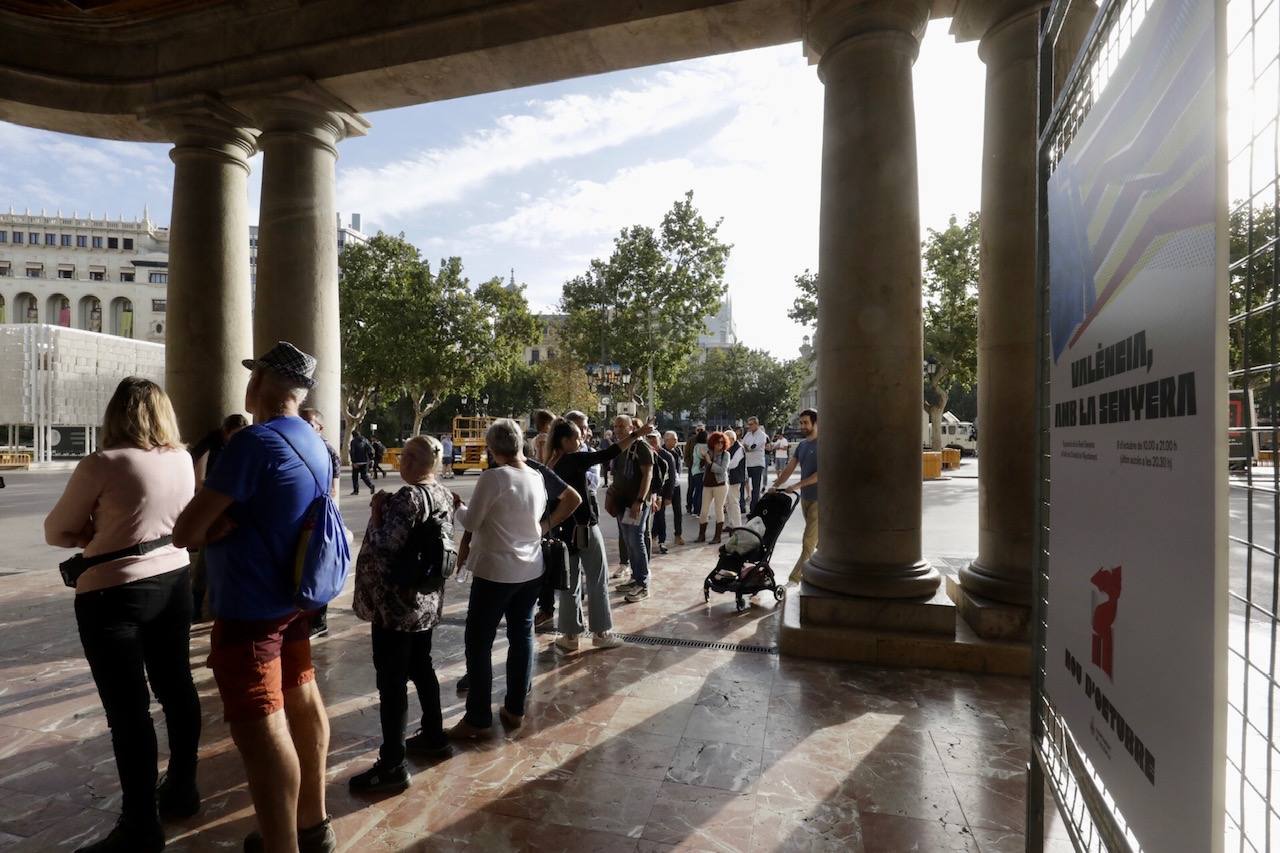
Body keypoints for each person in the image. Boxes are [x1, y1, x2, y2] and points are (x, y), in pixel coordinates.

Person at [173, 341, 337, 853]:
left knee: (261, 728)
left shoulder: (253, 443)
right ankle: (314, 824)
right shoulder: (312, 440)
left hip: (251, 609)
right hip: (295, 600)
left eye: (253, 373)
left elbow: (186, 531)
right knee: (302, 695)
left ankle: (281, 844)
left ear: (263, 381)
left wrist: (215, 525)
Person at [44, 378, 202, 853]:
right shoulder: (181, 458)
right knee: (176, 687)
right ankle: (182, 787)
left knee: (128, 710)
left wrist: (93, 532)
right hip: (174, 581)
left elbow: (58, 530)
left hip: (113, 593)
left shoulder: (102, 463)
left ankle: (140, 823)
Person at [450, 419, 579, 738]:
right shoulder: (535, 476)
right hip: (530, 569)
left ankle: (478, 717)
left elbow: (472, 520)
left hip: (496, 571)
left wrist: (457, 506)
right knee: (521, 636)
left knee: (478, 642)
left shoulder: (494, 477)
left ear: (492, 449)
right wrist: (542, 528)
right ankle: (515, 708)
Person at [348, 436, 453, 794]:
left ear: (415, 461)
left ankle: (392, 763)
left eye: (405, 456)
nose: (400, 463)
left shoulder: (407, 498)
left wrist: (377, 513)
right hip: (425, 601)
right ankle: (435, 735)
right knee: (421, 666)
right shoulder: (440, 493)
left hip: (396, 607)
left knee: (392, 682)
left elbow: (383, 547)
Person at [546, 419, 649, 651]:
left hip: (564, 533)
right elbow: (609, 453)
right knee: (597, 579)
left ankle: (570, 636)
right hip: (585, 529)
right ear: (565, 441)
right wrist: (636, 434)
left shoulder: (550, 464)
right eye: (576, 438)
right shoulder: (574, 459)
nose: (580, 440)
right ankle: (601, 633)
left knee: (569, 585)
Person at [188, 413, 248, 621]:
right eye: (233, 435)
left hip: (230, 507)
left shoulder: (241, 448)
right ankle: (197, 604)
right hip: (213, 507)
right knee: (205, 561)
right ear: (225, 432)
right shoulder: (209, 446)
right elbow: (199, 481)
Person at [299, 408, 341, 639]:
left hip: (319, 518)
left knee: (319, 568)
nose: (305, 426)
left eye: (309, 422)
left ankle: (319, 620)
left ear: (320, 427)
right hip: (305, 518)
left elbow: (333, 490)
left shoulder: (327, 450)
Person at [609, 415, 655, 603]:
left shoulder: (641, 446)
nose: (618, 429)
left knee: (636, 540)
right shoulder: (619, 447)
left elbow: (648, 475)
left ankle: (642, 584)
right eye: (615, 426)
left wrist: (639, 500)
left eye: (622, 426)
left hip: (635, 504)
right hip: (622, 503)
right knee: (628, 541)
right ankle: (635, 578)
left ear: (631, 427)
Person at [771, 409, 819, 583]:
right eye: (801, 422)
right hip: (806, 498)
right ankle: (829, 565)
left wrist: (797, 485)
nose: (802, 426)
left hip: (821, 500)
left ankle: (795, 579)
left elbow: (821, 474)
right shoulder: (803, 445)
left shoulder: (825, 444)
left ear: (816, 423)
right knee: (817, 541)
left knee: (808, 542)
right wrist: (775, 485)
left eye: (806, 422)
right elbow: (789, 468)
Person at [698, 431, 731, 545]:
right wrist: (703, 458)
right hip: (707, 484)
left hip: (720, 485)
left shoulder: (725, 454)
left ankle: (717, 537)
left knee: (719, 509)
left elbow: (722, 470)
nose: (720, 445)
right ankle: (701, 535)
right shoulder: (709, 452)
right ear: (713, 443)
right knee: (704, 511)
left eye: (722, 442)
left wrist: (709, 462)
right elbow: (700, 467)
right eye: (717, 442)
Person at [659, 431, 685, 547]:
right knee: (660, 512)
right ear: (666, 440)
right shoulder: (661, 453)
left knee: (678, 511)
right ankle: (657, 535)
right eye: (673, 439)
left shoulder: (677, 451)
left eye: (676, 439)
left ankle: (678, 535)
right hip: (664, 486)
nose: (676, 441)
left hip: (676, 485)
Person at [741, 416, 769, 513]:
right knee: (742, 484)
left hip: (757, 464)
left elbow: (752, 447)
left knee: (756, 487)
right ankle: (742, 506)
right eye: (748, 424)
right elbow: (742, 446)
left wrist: (746, 447)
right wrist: (745, 447)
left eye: (751, 424)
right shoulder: (748, 434)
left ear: (757, 424)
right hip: (747, 464)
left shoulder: (762, 435)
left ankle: (754, 509)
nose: (749, 426)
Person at [724, 429, 747, 528]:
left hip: (735, 479)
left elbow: (733, 464)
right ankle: (731, 524)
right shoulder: (728, 448)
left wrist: (722, 466)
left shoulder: (739, 448)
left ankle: (737, 525)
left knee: (734, 502)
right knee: (728, 502)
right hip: (728, 478)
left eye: (725, 439)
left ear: (732, 439)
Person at [686, 428, 707, 518]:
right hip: (700, 471)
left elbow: (687, 454)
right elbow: (706, 458)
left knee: (694, 490)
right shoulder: (704, 446)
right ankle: (698, 511)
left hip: (694, 469)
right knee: (700, 491)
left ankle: (693, 509)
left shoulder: (696, 445)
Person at [350, 430, 375, 495]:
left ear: (353, 435)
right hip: (365, 461)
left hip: (357, 462)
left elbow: (352, 452)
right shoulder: (365, 440)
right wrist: (371, 459)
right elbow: (371, 450)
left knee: (355, 477)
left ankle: (356, 491)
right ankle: (371, 485)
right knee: (364, 476)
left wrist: (353, 462)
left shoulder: (353, 441)